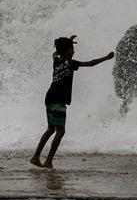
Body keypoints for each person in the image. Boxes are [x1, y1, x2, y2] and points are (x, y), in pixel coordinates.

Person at [31, 36, 114, 168]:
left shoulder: (56, 61)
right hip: (58, 100)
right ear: (68, 51)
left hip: (49, 97)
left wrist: (67, 41)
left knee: (51, 129)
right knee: (60, 131)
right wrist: (106, 58)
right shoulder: (70, 63)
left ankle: (36, 157)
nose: (73, 51)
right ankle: (48, 161)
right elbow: (91, 63)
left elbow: (54, 53)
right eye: (72, 48)